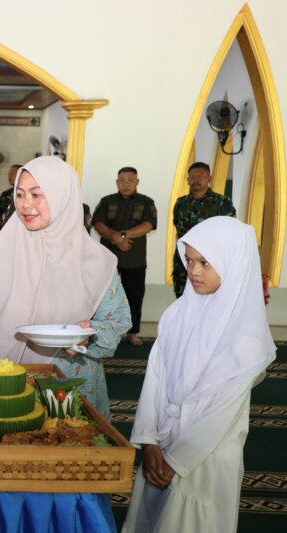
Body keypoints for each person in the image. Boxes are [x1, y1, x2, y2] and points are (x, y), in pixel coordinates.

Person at [122, 217, 275, 533]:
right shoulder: (177, 315)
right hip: (162, 444)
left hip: (205, 459)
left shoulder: (247, 338)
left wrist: (176, 460)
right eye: (189, 260)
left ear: (233, 262)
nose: (193, 271)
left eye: (205, 262)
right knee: (151, 520)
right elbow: (155, 380)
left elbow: (221, 413)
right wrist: (149, 441)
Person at [0, 156, 130, 418]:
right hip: (6, 378)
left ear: (63, 196)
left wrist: (88, 335)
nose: (25, 204)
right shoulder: (2, 250)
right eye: (21, 194)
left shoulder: (95, 261)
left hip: (68, 384)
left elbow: (116, 322)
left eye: (37, 195)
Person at [93, 167, 157, 346]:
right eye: (122, 179)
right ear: (117, 182)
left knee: (134, 296)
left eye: (130, 179)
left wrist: (120, 236)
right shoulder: (106, 201)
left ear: (137, 182)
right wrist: (113, 238)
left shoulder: (146, 202)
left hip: (134, 259)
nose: (126, 183)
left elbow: (148, 225)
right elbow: (98, 223)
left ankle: (132, 332)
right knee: (103, 296)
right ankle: (101, 330)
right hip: (108, 258)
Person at [172, 162, 235, 297]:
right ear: (188, 180)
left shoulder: (222, 202)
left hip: (210, 262)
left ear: (209, 179)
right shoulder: (181, 203)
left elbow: (229, 231)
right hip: (183, 262)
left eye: (200, 176)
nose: (196, 180)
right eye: (192, 177)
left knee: (210, 302)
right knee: (183, 300)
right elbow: (177, 226)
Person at [0, 163, 21, 231]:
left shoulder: (29, 194)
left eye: (13, 173)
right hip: (8, 232)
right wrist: (1, 224)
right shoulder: (6, 194)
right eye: (9, 173)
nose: (9, 176)